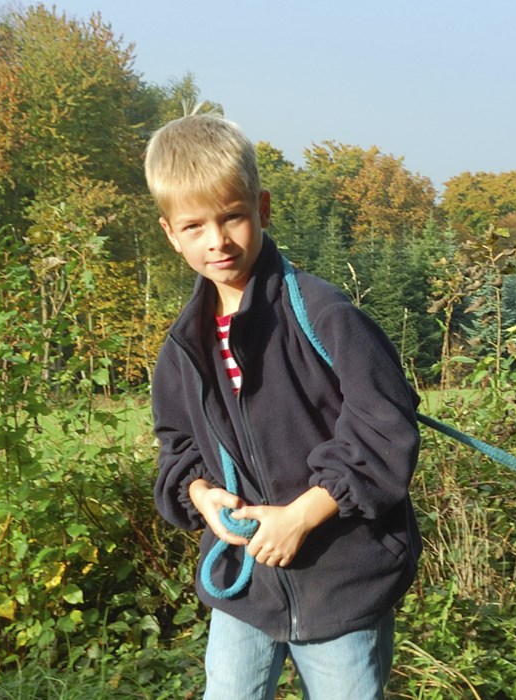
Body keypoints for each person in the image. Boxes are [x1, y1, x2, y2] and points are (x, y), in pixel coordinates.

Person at [145, 113, 422, 699]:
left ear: (262, 208)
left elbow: (385, 425)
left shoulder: (323, 315)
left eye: (232, 217)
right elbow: (177, 447)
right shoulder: (181, 348)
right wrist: (201, 495)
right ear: (171, 233)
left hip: (340, 580)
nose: (216, 240)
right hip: (244, 588)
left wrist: (301, 517)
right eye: (194, 226)